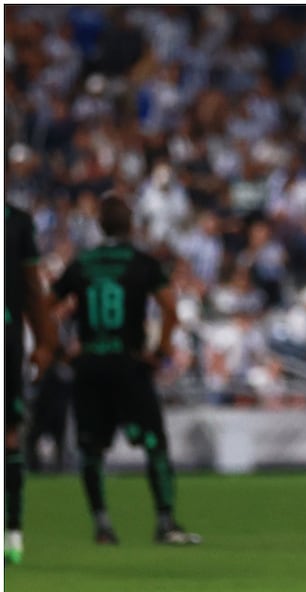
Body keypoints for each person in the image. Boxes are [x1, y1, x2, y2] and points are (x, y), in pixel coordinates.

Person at [49, 192, 201, 546]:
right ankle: (165, 521)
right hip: (129, 363)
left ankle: (102, 524)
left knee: (91, 448)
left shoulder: (82, 263)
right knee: (154, 443)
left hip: (90, 364)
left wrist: (57, 350)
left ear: (100, 226)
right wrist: (161, 350)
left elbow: (45, 305)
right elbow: (170, 309)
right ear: (130, 226)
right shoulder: (143, 262)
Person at [5, 202, 57, 564]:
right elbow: (33, 288)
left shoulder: (19, 221)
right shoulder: (17, 221)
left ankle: (12, 531)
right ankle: (13, 532)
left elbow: (33, 288)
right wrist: (43, 341)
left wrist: (44, 341)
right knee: (9, 434)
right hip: (7, 335)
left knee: (9, 433)